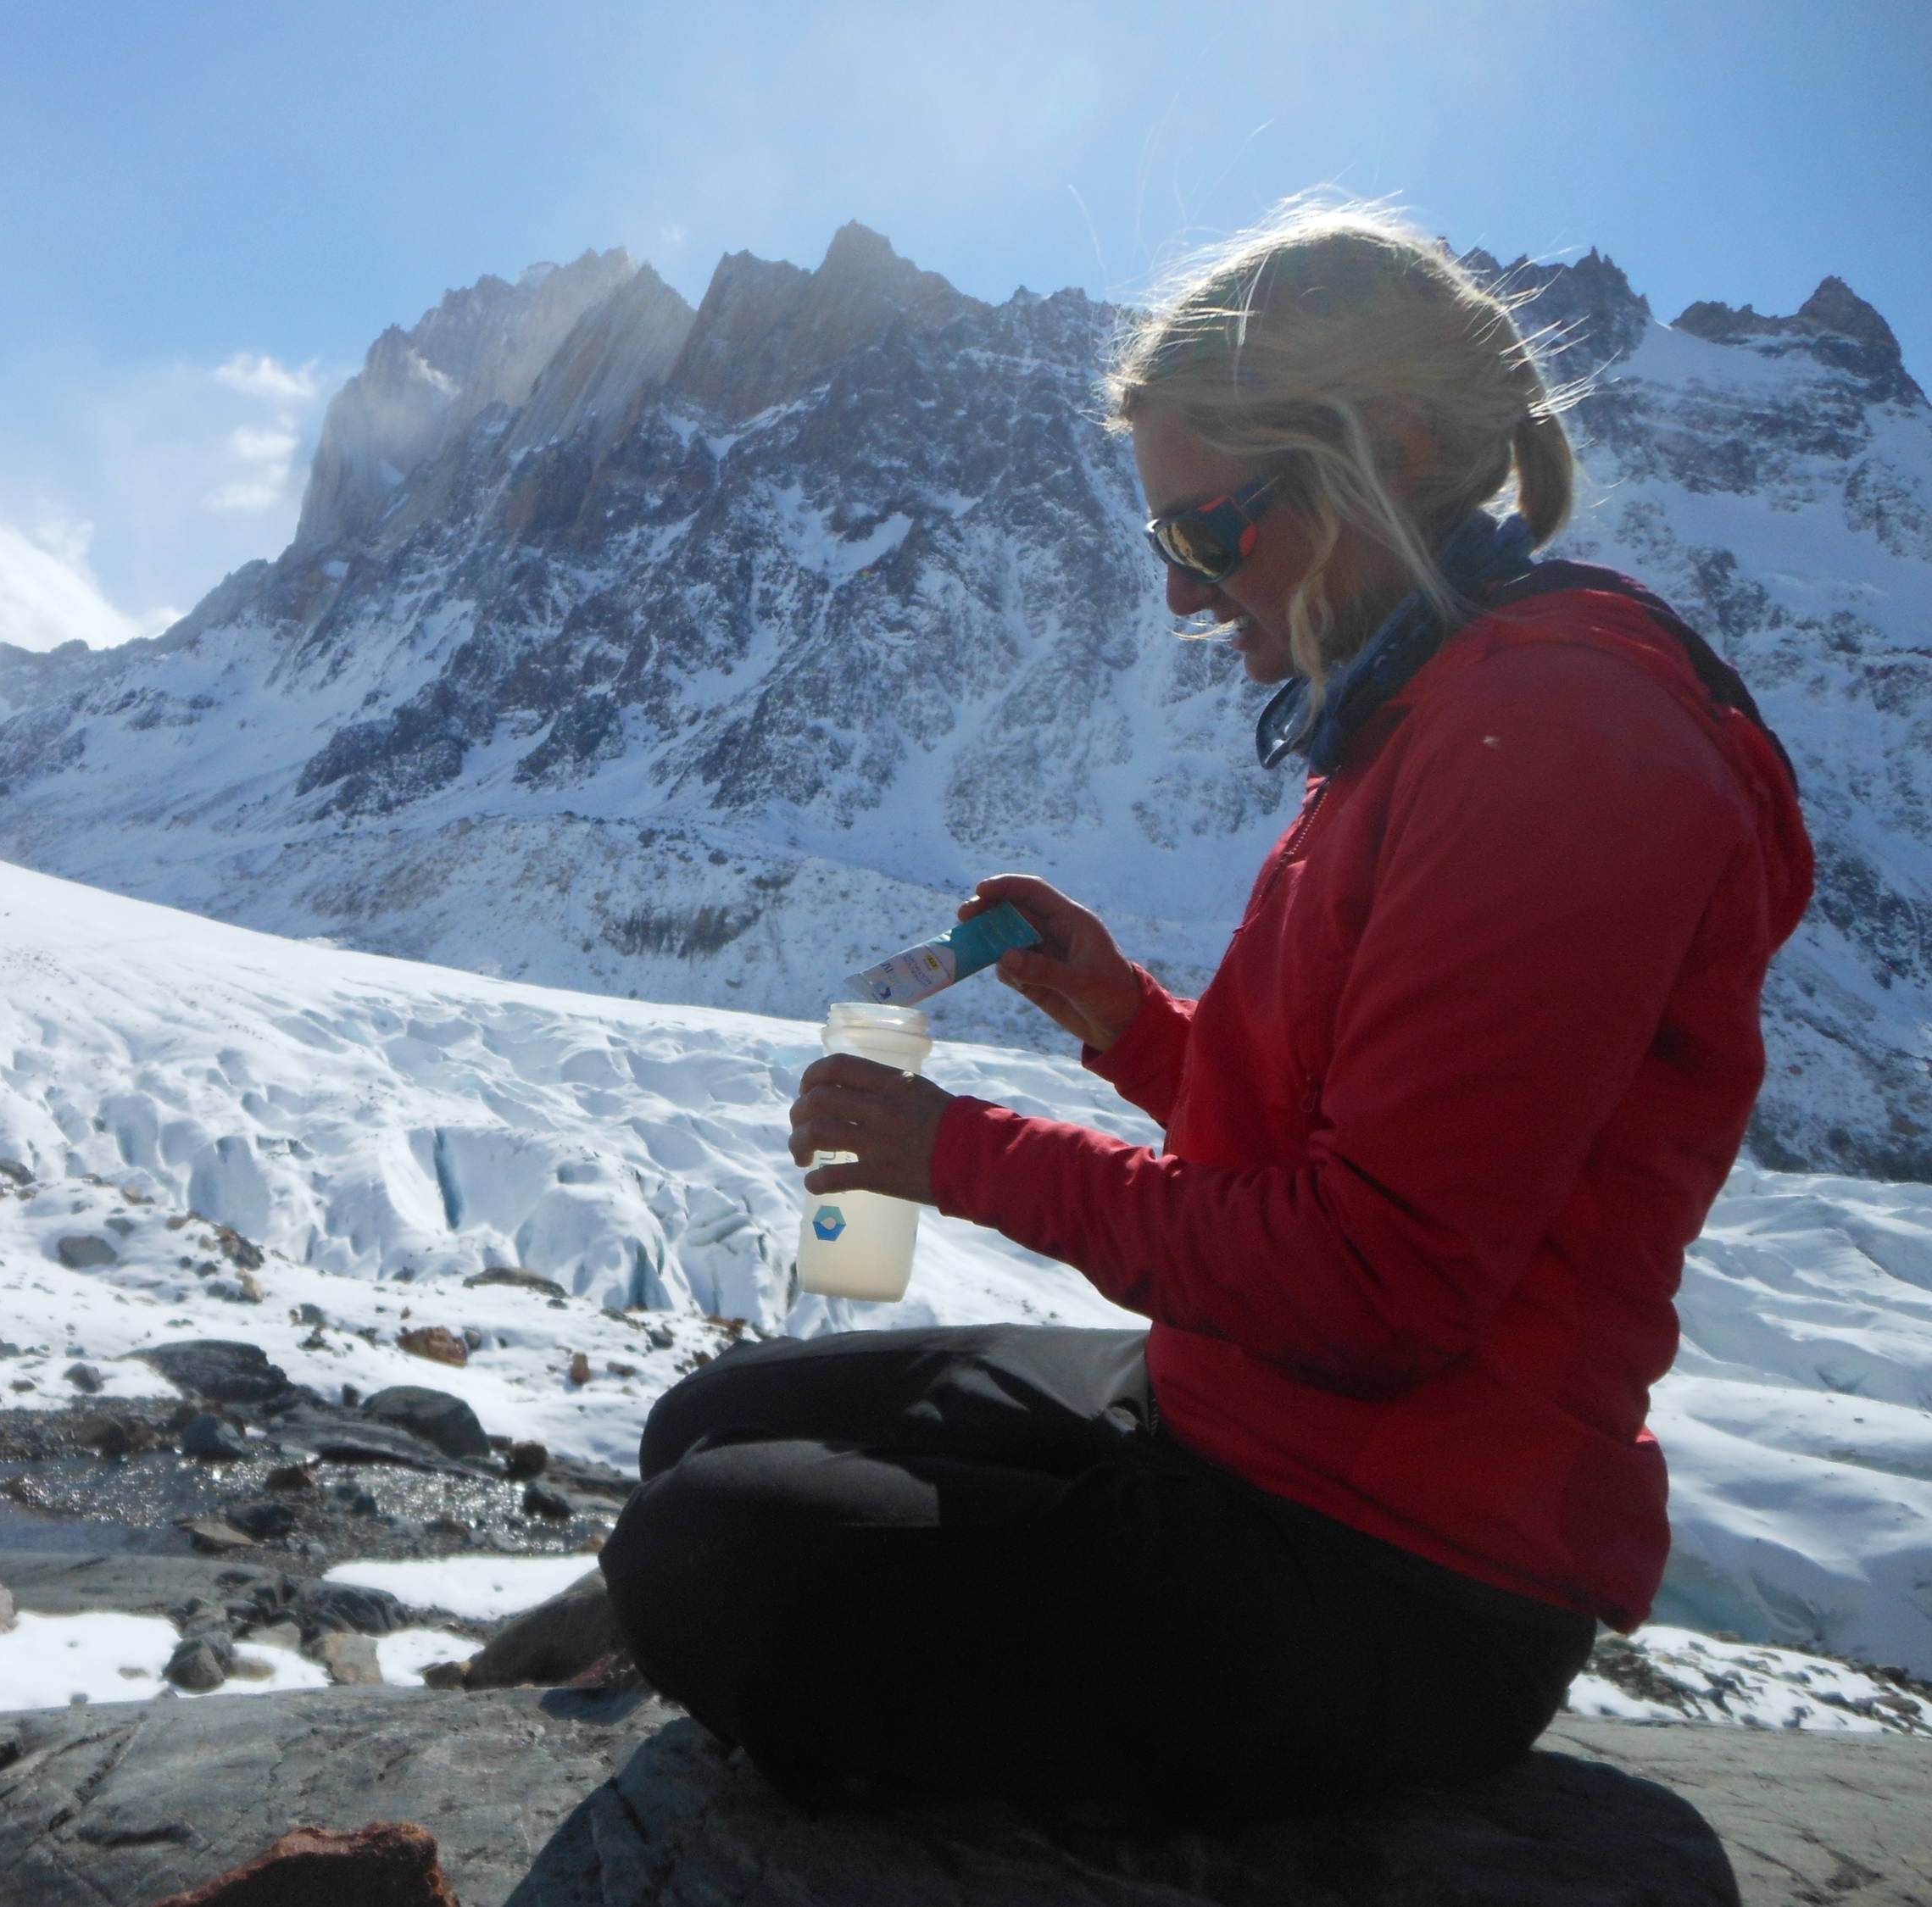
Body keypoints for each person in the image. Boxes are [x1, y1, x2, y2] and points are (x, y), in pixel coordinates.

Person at [597, 204, 1815, 1822]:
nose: (1183, 599)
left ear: (1387, 445)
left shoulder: (1554, 741)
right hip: (1243, 1421)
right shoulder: (1430, 700)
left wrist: (959, 1155)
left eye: (1208, 534)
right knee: (703, 1430)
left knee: (704, 1553)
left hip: (1394, 1565)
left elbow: (1379, 1280)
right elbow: (1339, 1130)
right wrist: (1125, 1019)